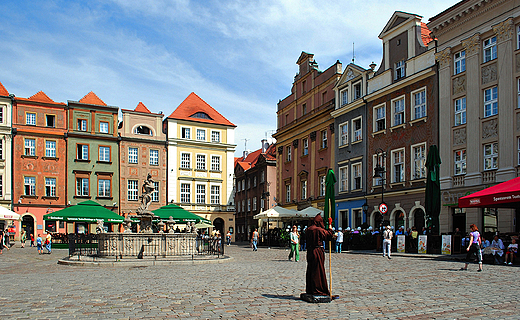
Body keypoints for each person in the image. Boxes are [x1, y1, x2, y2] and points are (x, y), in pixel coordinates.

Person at [305, 214, 334, 296]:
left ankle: (310, 288)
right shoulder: (318, 230)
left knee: (311, 270)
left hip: (310, 251)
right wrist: (330, 225)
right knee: (318, 270)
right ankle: (319, 288)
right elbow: (329, 235)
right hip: (317, 251)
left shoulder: (308, 229)